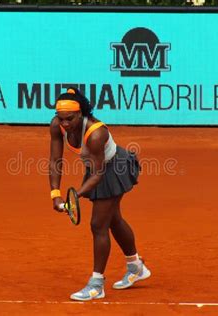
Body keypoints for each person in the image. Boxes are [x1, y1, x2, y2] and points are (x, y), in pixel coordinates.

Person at [48, 87, 151, 301]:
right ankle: (136, 267)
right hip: (96, 168)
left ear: (81, 113)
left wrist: (74, 196)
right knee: (113, 219)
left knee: (98, 225)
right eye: (61, 118)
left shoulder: (96, 133)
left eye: (70, 119)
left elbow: (97, 175)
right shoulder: (57, 126)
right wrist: (55, 193)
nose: (65, 124)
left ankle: (96, 284)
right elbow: (55, 161)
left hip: (115, 169)